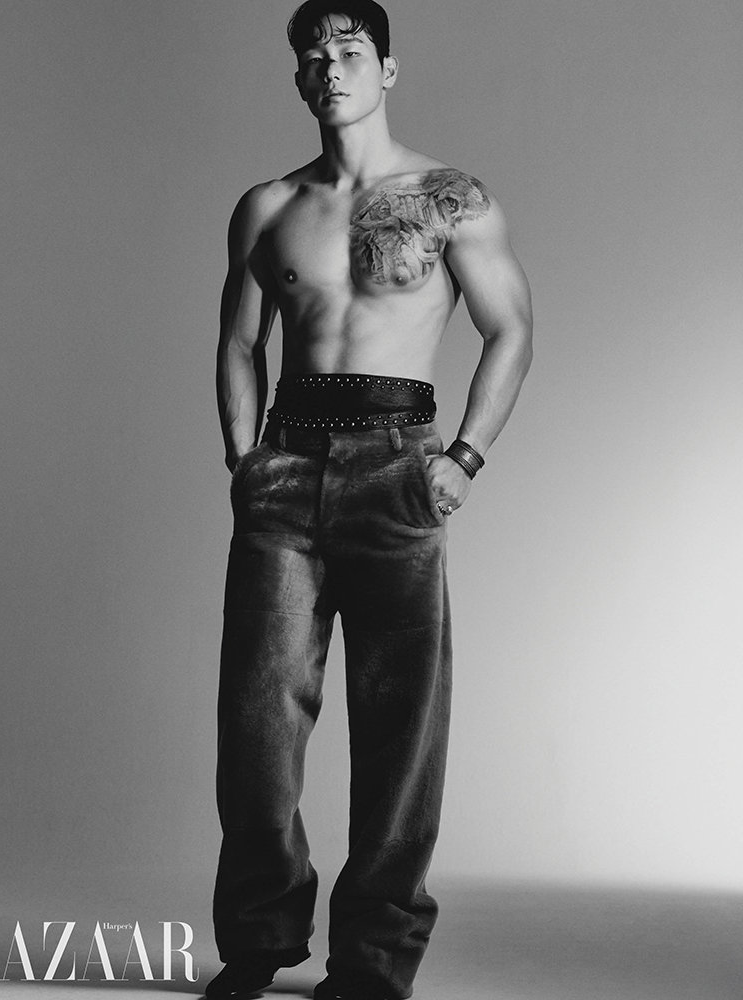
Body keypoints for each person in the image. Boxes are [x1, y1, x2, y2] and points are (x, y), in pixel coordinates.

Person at [206, 2, 532, 998]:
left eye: (349, 51)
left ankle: (373, 960)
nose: (330, 68)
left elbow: (511, 328)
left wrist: (465, 457)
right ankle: (259, 939)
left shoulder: (448, 197)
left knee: (400, 727)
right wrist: (243, 459)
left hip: (399, 466)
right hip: (287, 464)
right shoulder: (269, 205)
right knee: (258, 724)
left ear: (386, 70)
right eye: (313, 56)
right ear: (298, 79)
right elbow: (239, 343)